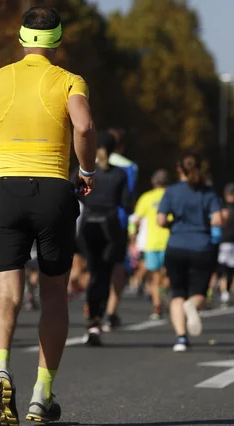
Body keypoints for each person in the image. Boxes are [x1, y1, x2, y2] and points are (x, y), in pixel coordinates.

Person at [0, 6, 97, 425]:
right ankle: (43, 393)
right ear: (57, 40)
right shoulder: (70, 80)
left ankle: (1, 369)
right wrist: (87, 171)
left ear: (22, 38)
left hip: (5, 190)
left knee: (5, 296)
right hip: (53, 189)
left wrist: (2, 142)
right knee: (54, 294)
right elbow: (85, 127)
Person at [157, 152, 222, 352]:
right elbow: (217, 219)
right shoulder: (208, 192)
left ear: (179, 169)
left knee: (177, 292)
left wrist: (173, 224)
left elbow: (160, 220)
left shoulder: (171, 192)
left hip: (176, 246)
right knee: (199, 293)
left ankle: (181, 338)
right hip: (201, 247)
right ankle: (192, 306)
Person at [74, 132, 131, 346]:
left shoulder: (85, 172)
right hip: (110, 228)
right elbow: (127, 204)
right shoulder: (119, 174)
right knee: (104, 275)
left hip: (88, 225)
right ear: (115, 149)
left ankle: (91, 316)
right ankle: (97, 319)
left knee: (93, 271)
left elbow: (73, 193)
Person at [102, 128, 137, 331]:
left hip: (91, 218)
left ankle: (93, 308)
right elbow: (128, 197)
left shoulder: (90, 159)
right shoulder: (130, 167)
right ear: (122, 146)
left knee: (95, 266)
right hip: (118, 221)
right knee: (117, 268)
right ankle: (110, 313)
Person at [129, 169, 170, 319]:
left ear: (153, 182)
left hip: (151, 243)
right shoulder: (172, 195)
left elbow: (135, 219)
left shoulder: (146, 198)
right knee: (168, 274)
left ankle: (157, 306)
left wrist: (133, 235)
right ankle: (162, 296)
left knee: (154, 276)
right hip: (170, 241)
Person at [216, 183, 234, 308]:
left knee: (232, 269)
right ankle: (224, 293)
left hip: (233, 241)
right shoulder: (222, 206)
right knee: (224, 269)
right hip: (223, 240)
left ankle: (230, 291)